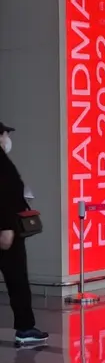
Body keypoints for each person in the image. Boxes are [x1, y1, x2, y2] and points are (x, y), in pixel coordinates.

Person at [0, 123, 48, 347]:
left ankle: (26, 326)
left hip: (7, 228)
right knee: (17, 279)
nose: (8, 138)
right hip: (7, 231)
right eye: (5, 133)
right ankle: (25, 328)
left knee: (17, 280)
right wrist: (6, 227)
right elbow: (4, 195)